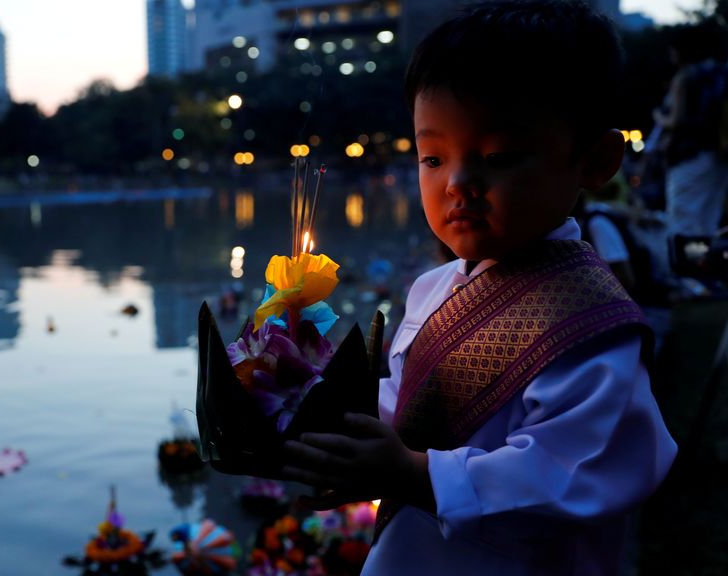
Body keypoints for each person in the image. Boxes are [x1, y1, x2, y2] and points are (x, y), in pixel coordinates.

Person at [279, 2, 678, 575]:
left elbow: (578, 471)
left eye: (497, 157)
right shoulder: (431, 289)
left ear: (595, 160)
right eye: (433, 157)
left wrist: (411, 474)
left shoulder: (591, 322)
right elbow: (400, 411)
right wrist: (336, 451)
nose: (458, 183)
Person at [654, 20, 728, 238]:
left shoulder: (685, 77)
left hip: (688, 156)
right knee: (708, 217)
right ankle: (707, 266)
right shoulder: (719, 72)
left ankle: (685, 269)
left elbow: (677, 121)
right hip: (718, 154)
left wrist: (659, 116)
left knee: (683, 217)